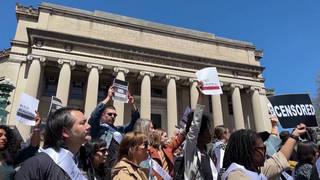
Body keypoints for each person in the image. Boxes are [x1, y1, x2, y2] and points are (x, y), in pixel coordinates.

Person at [15, 107, 91, 180]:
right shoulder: (38, 163)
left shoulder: (86, 162)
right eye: (82, 123)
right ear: (65, 132)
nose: (89, 126)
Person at [222, 123, 307, 180]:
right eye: (262, 149)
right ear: (248, 152)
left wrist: (295, 134)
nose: (266, 153)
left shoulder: (254, 169)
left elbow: (279, 160)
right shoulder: (236, 176)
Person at [89, 85, 140, 178]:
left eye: (115, 115)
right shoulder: (97, 128)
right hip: (104, 166)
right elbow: (94, 117)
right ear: (102, 115)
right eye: (110, 114)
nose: (113, 116)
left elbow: (134, 122)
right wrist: (108, 98)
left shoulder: (119, 130)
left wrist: (132, 104)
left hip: (119, 166)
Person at [184, 81, 218, 180]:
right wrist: (200, 95)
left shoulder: (207, 153)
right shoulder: (190, 151)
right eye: (207, 131)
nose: (210, 133)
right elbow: (195, 125)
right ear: (199, 134)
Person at [0, 111, 41, 180]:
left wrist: (36, 127)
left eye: (6, 136)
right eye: (0, 135)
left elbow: (33, 148)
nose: (4, 138)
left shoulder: (11, 157)